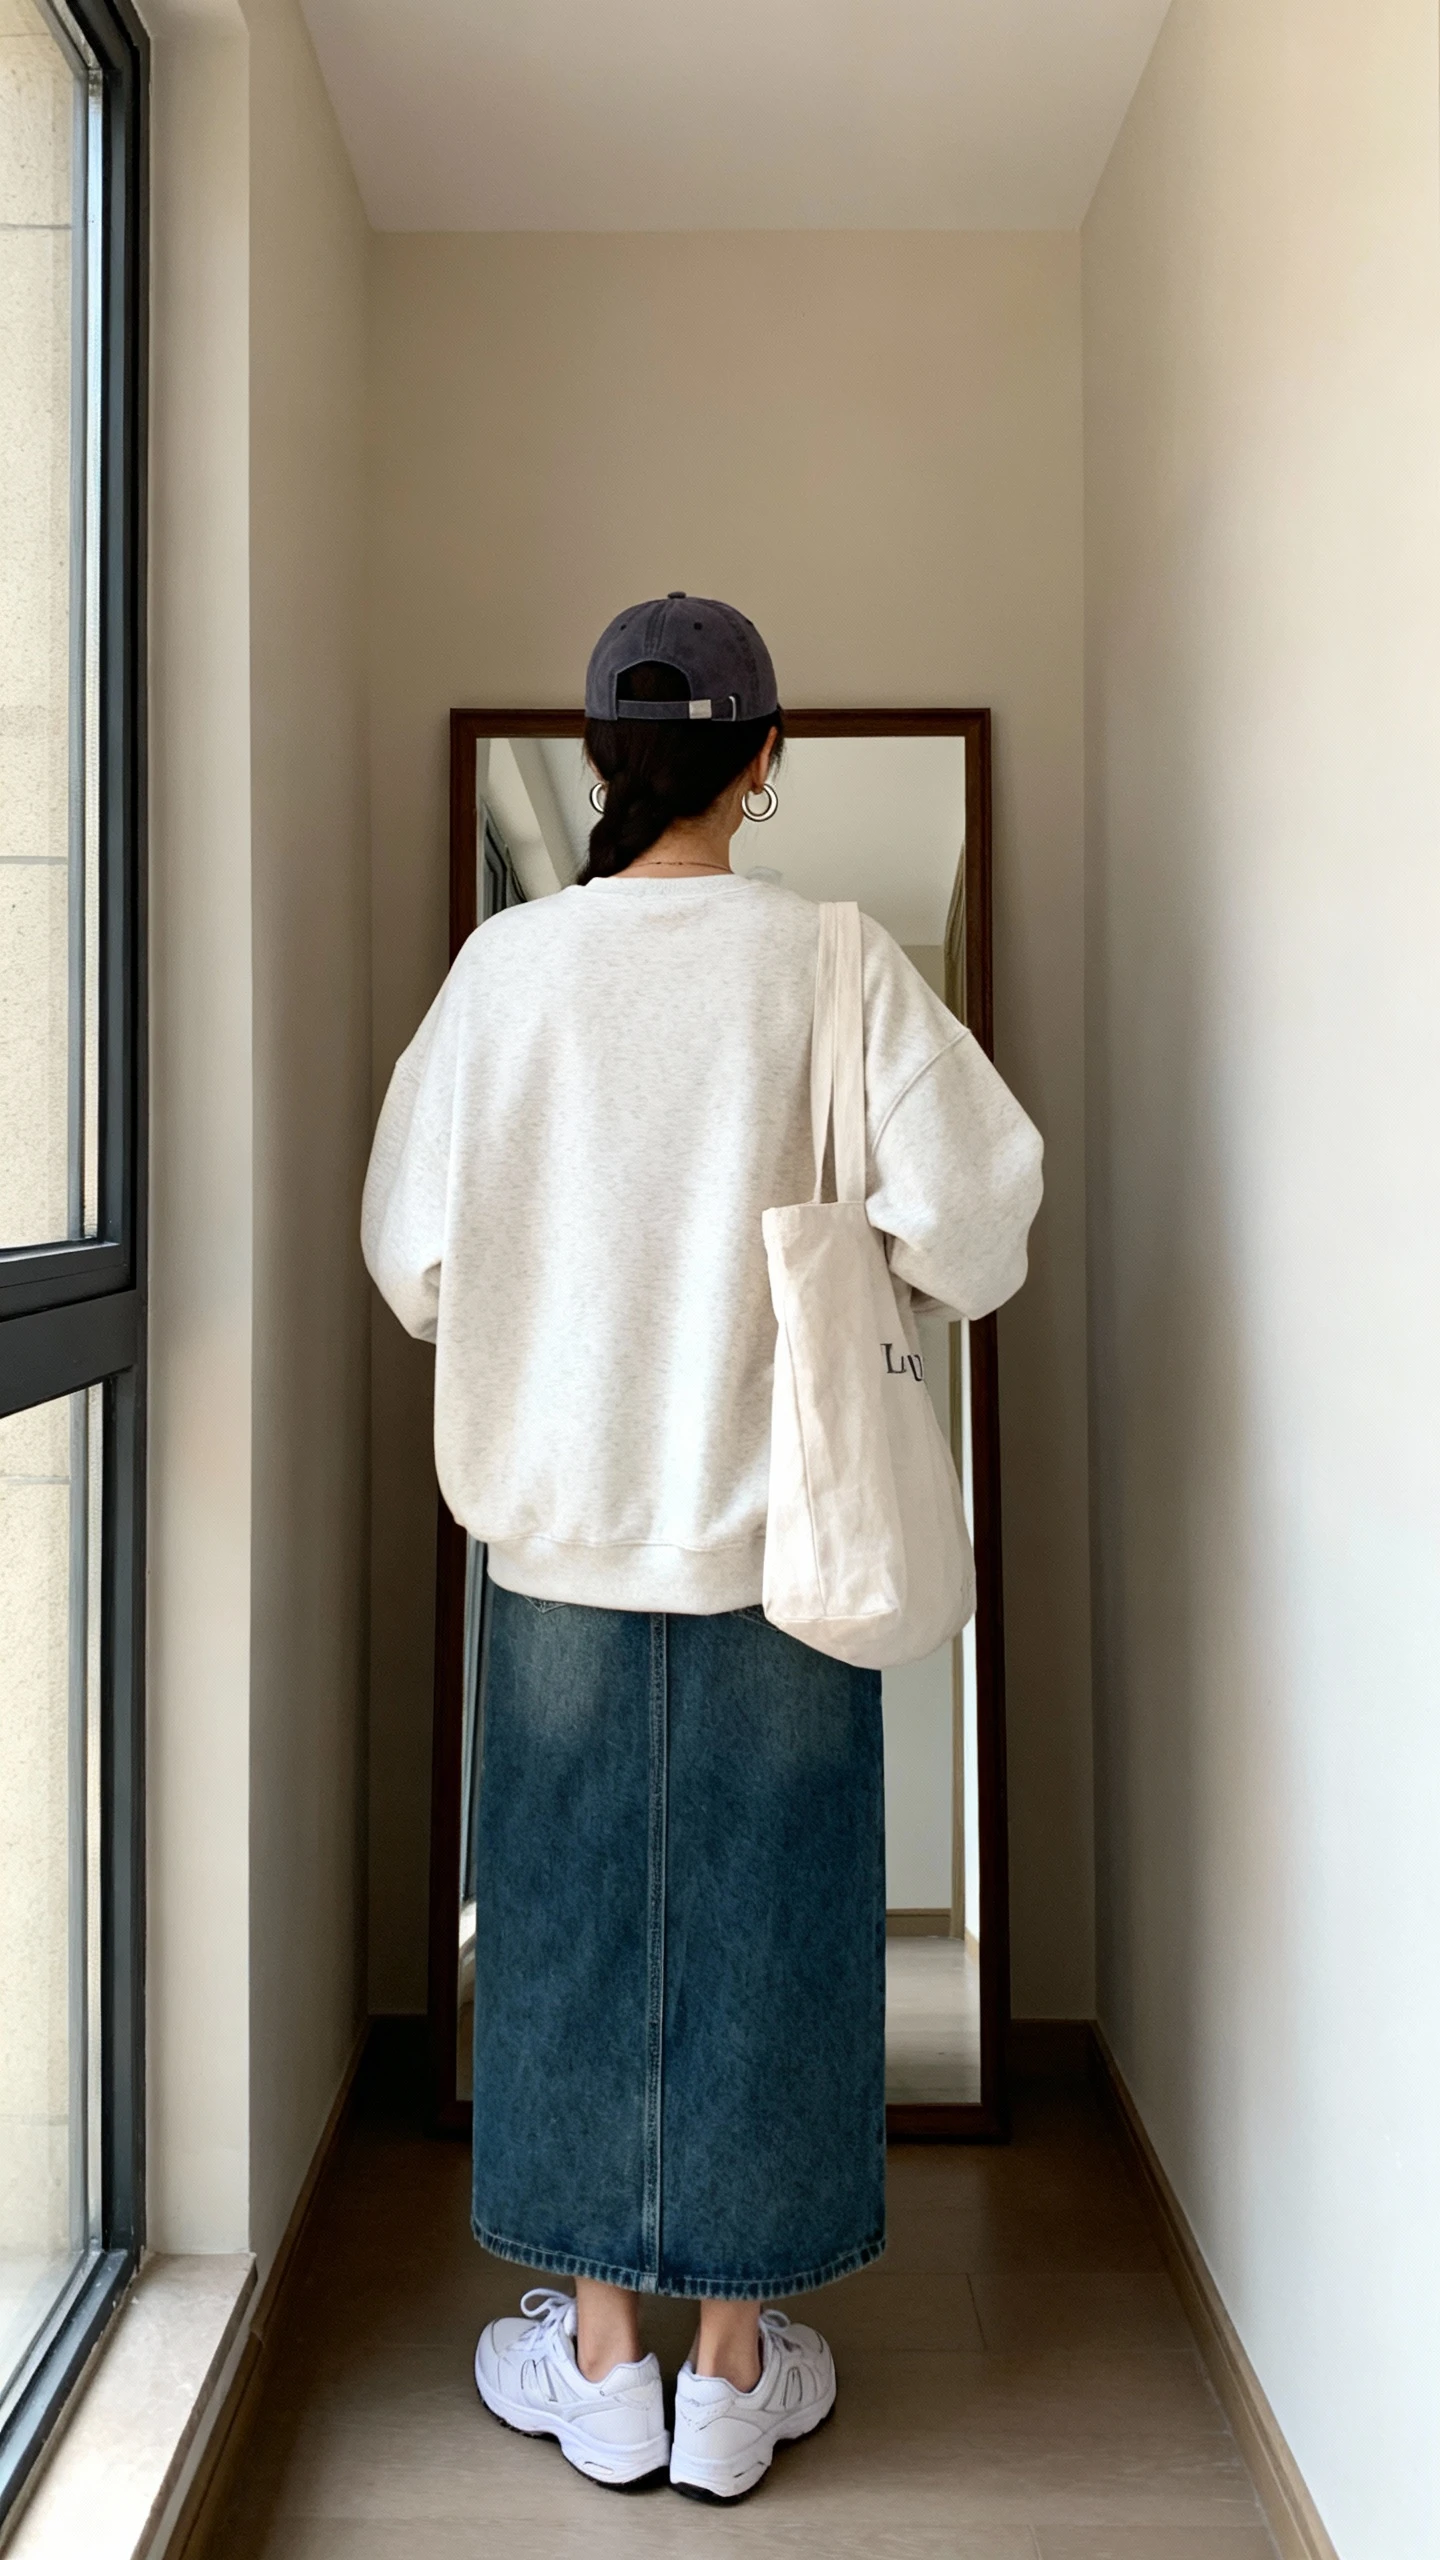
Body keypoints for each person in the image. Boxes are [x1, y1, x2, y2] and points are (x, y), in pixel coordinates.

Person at [362, 593, 1043, 2502]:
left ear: (600, 758)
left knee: (571, 1933)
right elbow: (985, 1224)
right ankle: (736, 2372)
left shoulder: (508, 973)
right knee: (781, 1940)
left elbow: (412, 1262)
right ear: (762, 760)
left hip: (563, 1545)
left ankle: (597, 2361)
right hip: (783, 1550)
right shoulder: (836, 965)